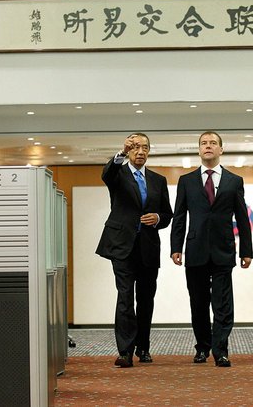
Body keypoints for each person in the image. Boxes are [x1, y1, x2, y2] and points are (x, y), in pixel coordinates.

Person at [170, 131, 253, 368]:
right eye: (204, 143)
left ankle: (221, 350)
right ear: (199, 150)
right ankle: (202, 347)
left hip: (223, 250)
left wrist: (246, 250)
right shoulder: (186, 181)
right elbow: (179, 216)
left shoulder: (234, 181)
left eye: (213, 143)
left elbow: (242, 218)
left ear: (221, 150)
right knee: (198, 302)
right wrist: (176, 247)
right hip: (194, 250)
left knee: (222, 304)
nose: (208, 146)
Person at [96, 133, 173, 368]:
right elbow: (106, 173)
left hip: (148, 247)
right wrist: (119, 153)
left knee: (146, 299)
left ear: (149, 151)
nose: (140, 151)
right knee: (125, 297)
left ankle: (143, 347)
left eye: (145, 148)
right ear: (129, 151)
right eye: (136, 147)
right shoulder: (118, 174)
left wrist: (158, 217)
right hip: (122, 246)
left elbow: (168, 214)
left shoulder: (158, 180)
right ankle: (125, 351)